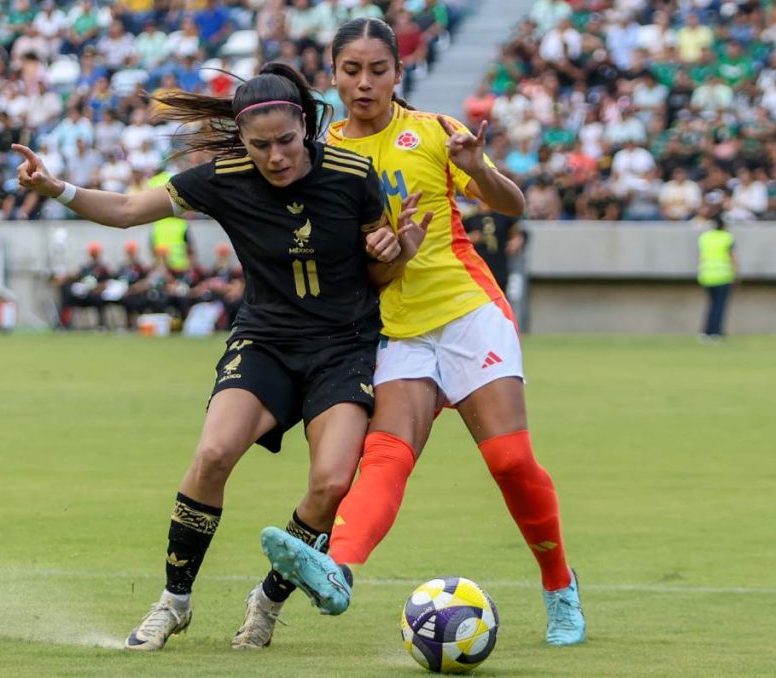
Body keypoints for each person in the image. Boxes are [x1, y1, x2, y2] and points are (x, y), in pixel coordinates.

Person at [11, 61, 429, 651]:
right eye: (260, 146)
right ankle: (173, 602)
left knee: (332, 483)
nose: (276, 156)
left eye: (286, 142)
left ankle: (267, 602)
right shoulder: (224, 176)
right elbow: (131, 209)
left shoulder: (353, 175)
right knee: (212, 454)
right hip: (265, 341)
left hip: (343, 348)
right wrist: (57, 189)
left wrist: (399, 249)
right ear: (243, 141)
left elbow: (379, 274)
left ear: (306, 127)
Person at [249, 17, 586, 650]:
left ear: (399, 74)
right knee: (386, 458)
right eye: (352, 71)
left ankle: (559, 584)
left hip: (466, 312)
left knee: (510, 460)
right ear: (334, 75)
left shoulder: (433, 132)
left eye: (379, 70)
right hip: (397, 331)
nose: (365, 83)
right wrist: (373, 249)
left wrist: (478, 168)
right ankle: (338, 571)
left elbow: (511, 204)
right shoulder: (324, 160)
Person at [698, 215, 737, 341]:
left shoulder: (705, 237)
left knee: (711, 305)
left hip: (707, 275)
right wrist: (735, 273)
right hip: (723, 276)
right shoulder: (727, 237)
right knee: (719, 306)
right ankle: (715, 331)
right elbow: (732, 257)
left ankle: (706, 331)